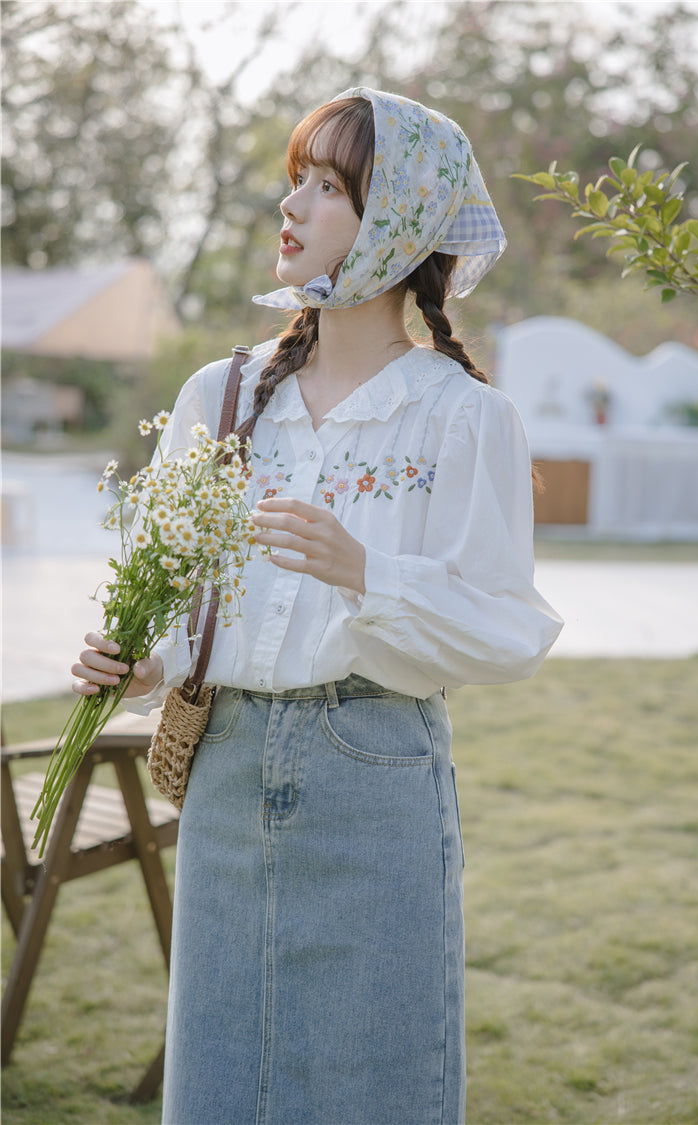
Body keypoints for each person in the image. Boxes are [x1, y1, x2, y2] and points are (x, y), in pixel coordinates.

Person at [72, 87, 563, 1125]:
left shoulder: (462, 418)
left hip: (376, 772)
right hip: (228, 769)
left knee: (373, 1083)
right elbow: (177, 598)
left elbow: (509, 631)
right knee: (219, 1083)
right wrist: (142, 664)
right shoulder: (222, 395)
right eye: (296, 178)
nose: (291, 205)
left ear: (396, 222)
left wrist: (366, 568)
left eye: (329, 186)